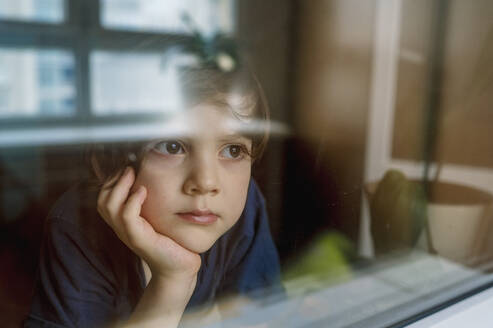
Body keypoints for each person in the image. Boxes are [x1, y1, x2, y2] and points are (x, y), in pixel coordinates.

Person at [24, 62, 283, 327]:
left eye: (233, 151)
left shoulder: (245, 203)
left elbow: (265, 319)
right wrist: (174, 279)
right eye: (172, 146)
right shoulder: (76, 226)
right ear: (107, 164)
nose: (206, 182)